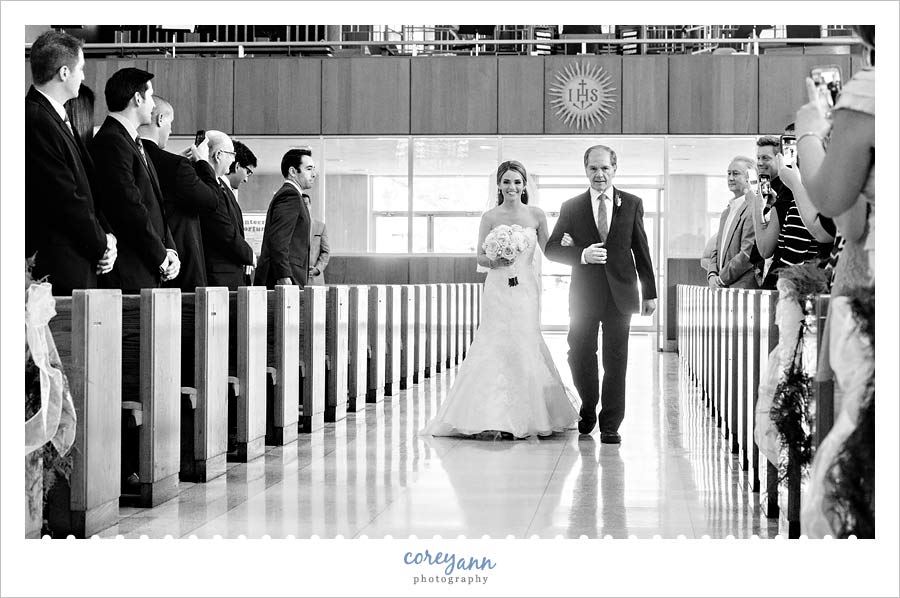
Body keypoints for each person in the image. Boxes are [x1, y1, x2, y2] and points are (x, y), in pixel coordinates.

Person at [422, 160, 579, 439]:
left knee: (524, 340)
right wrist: (495, 260)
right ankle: (491, 416)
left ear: (524, 185)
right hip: (497, 287)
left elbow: (549, 250)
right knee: (494, 341)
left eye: (517, 182)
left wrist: (569, 246)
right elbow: (480, 257)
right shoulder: (490, 217)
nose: (512, 187)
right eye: (506, 181)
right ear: (498, 184)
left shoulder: (536, 215)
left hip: (525, 289)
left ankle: (532, 414)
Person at [796, 25, 875, 539]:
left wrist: (810, 133)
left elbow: (838, 208)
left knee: (861, 412)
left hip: (871, 279)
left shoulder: (870, 92)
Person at [544, 145, 657, 444]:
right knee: (579, 353)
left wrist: (649, 292)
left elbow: (641, 249)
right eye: (593, 168)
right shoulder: (571, 207)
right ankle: (588, 405)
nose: (599, 174)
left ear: (614, 169)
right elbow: (551, 248)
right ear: (585, 170)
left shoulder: (632, 203)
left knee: (616, 359)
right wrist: (582, 254)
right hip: (584, 294)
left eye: (605, 168)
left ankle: (610, 423)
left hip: (622, 293)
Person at [26, 30, 116, 295]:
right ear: (64, 72)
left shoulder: (54, 117)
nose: (84, 76)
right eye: (81, 68)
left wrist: (108, 238)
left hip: (77, 258)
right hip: (59, 264)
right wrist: (101, 244)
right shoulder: (36, 119)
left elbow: (87, 189)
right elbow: (64, 196)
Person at [91, 67, 179, 292]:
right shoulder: (111, 141)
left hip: (145, 268)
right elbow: (129, 207)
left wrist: (169, 250)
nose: (153, 105)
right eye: (150, 96)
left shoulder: (131, 140)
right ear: (137, 99)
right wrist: (160, 257)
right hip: (129, 272)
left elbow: (155, 205)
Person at [139, 97, 219, 291]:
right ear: (160, 119)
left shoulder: (136, 157)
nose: (171, 131)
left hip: (144, 263)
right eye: (171, 123)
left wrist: (180, 163)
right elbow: (211, 201)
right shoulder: (176, 166)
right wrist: (203, 162)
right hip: (179, 264)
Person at [749, 135, 827, 289]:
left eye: (766, 158)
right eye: (758, 158)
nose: (760, 163)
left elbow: (767, 250)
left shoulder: (794, 196)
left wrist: (757, 209)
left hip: (788, 285)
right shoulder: (788, 195)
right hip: (792, 280)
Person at [200, 132, 256, 290]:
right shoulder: (212, 186)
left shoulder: (221, 187)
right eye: (232, 155)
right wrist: (249, 255)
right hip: (218, 278)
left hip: (228, 275)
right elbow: (223, 230)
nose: (233, 160)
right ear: (219, 155)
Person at [255, 148, 317, 288]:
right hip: (285, 279)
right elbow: (278, 239)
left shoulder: (293, 195)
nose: (314, 174)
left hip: (289, 276)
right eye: (308, 169)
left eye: (314, 169)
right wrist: (283, 275)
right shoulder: (290, 195)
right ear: (293, 172)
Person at [706, 156, 760, 289]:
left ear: (749, 178)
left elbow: (747, 254)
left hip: (742, 288)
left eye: (735, 174)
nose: (730, 178)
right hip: (721, 288)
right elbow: (716, 250)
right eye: (728, 173)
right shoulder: (726, 212)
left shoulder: (754, 208)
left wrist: (721, 279)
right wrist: (712, 274)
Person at [304, 194, 330, 285]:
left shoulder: (320, 226)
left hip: (315, 279)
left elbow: (325, 252)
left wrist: (317, 269)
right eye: (301, 205)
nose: (304, 207)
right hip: (297, 280)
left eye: (306, 204)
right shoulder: (291, 228)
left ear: (310, 206)